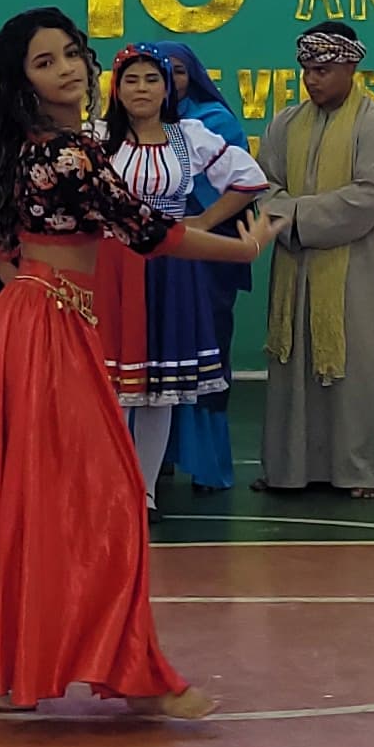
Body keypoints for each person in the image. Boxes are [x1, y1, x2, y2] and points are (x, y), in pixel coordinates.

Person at [0, 6, 275, 718]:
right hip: (45, 331)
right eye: (45, 62)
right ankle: (132, 676)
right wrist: (241, 249)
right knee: (111, 501)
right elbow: (147, 232)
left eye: (70, 53)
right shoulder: (70, 154)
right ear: (23, 80)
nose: (66, 69)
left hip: (27, 322)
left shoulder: (25, 144)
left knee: (6, 504)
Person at [96, 42, 268, 503]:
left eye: (152, 79)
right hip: (112, 270)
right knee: (114, 388)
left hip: (170, 269)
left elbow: (248, 178)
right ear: (116, 89)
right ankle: (113, 490)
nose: (142, 89)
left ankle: (146, 491)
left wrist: (203, 222)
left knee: (161, 389)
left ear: (167, 88)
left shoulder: (188, 136)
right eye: (131, 80)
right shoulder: (97, 138)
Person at [255, 20, 374, 498]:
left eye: (322, 70)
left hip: (352, 271)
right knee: (291, 368)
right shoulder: (284, 124)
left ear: (351, 67)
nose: (311, 80)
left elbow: (367, 199)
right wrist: (290, 215)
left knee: (351, 371)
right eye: (306, 70)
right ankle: (287, 470)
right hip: (293, 267)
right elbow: (262, 188)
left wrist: (294, 216)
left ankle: (355, 472)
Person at [146, 40, 251, 489]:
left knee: (205, 352)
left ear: (194, 75)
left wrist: (201, 221)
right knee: (157, 350)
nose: (170, 80)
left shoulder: (213, 123)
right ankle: (157, 458)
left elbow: (245, 185)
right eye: (158, 72)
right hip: (156, 258)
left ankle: (208, 465)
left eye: (178, 70)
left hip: (208, 257)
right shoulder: (138, 127)